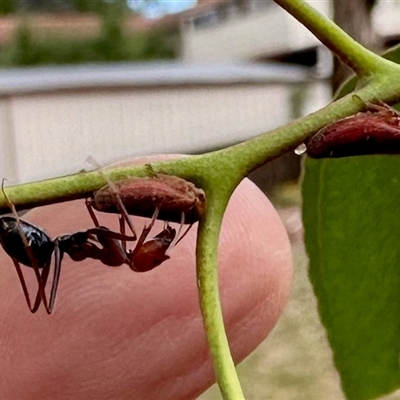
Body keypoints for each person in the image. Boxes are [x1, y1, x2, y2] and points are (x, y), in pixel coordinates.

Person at [0, 174, 292, 400]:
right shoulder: (117, 253)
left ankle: (15, 222)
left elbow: (123, 236)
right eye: (158, 247)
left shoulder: (119, 254)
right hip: (41, 247)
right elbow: (118, 235)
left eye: (156, 249)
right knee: (43, 299)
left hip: (39, 247)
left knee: (43, 301)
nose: (159, 245)